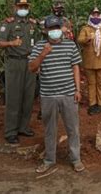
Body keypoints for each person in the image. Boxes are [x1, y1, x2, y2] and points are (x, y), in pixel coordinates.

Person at [28, 15, 84, 173]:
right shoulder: (40, 46)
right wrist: (43, 54)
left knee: (73, 129)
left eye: (57, 28)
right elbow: (31, 68)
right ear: (46, 31)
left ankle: (76, 159)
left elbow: (75, 67)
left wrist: (78, 90)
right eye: (51, 29)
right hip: (48, 95)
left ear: (62, 29)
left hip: (68, 94)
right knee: (50, 129)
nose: (54, 31)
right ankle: (49, 160)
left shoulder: (70, 45)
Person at [0, 0, 38, 144]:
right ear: (15, 7)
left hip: (30, 63)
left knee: (28, 97)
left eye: (26, 7)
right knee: (14, 98)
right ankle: (11, 131)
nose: (23, 9)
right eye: (21, 7)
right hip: (14, 63)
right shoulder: (8, 24)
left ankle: (23, 127)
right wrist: (11, 42)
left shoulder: (32, 24)